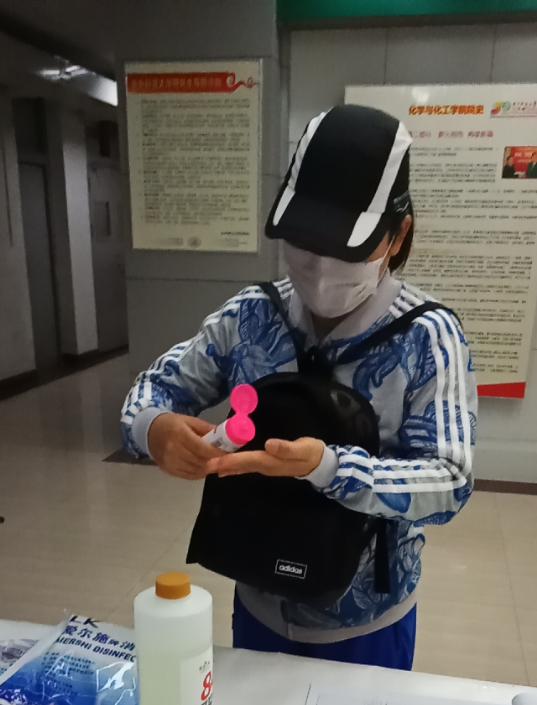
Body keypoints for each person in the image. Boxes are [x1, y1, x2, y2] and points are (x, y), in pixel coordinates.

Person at [121, 105, 477, 671]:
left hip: (366, 621)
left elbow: (450, 480)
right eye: (305, 243)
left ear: (398, 234)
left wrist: (330, 468)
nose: (321, 268)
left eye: (348, 249)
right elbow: (154, 389)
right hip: (257, 602)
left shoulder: (428, 338)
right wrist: (154, 428)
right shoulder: (251, 316)